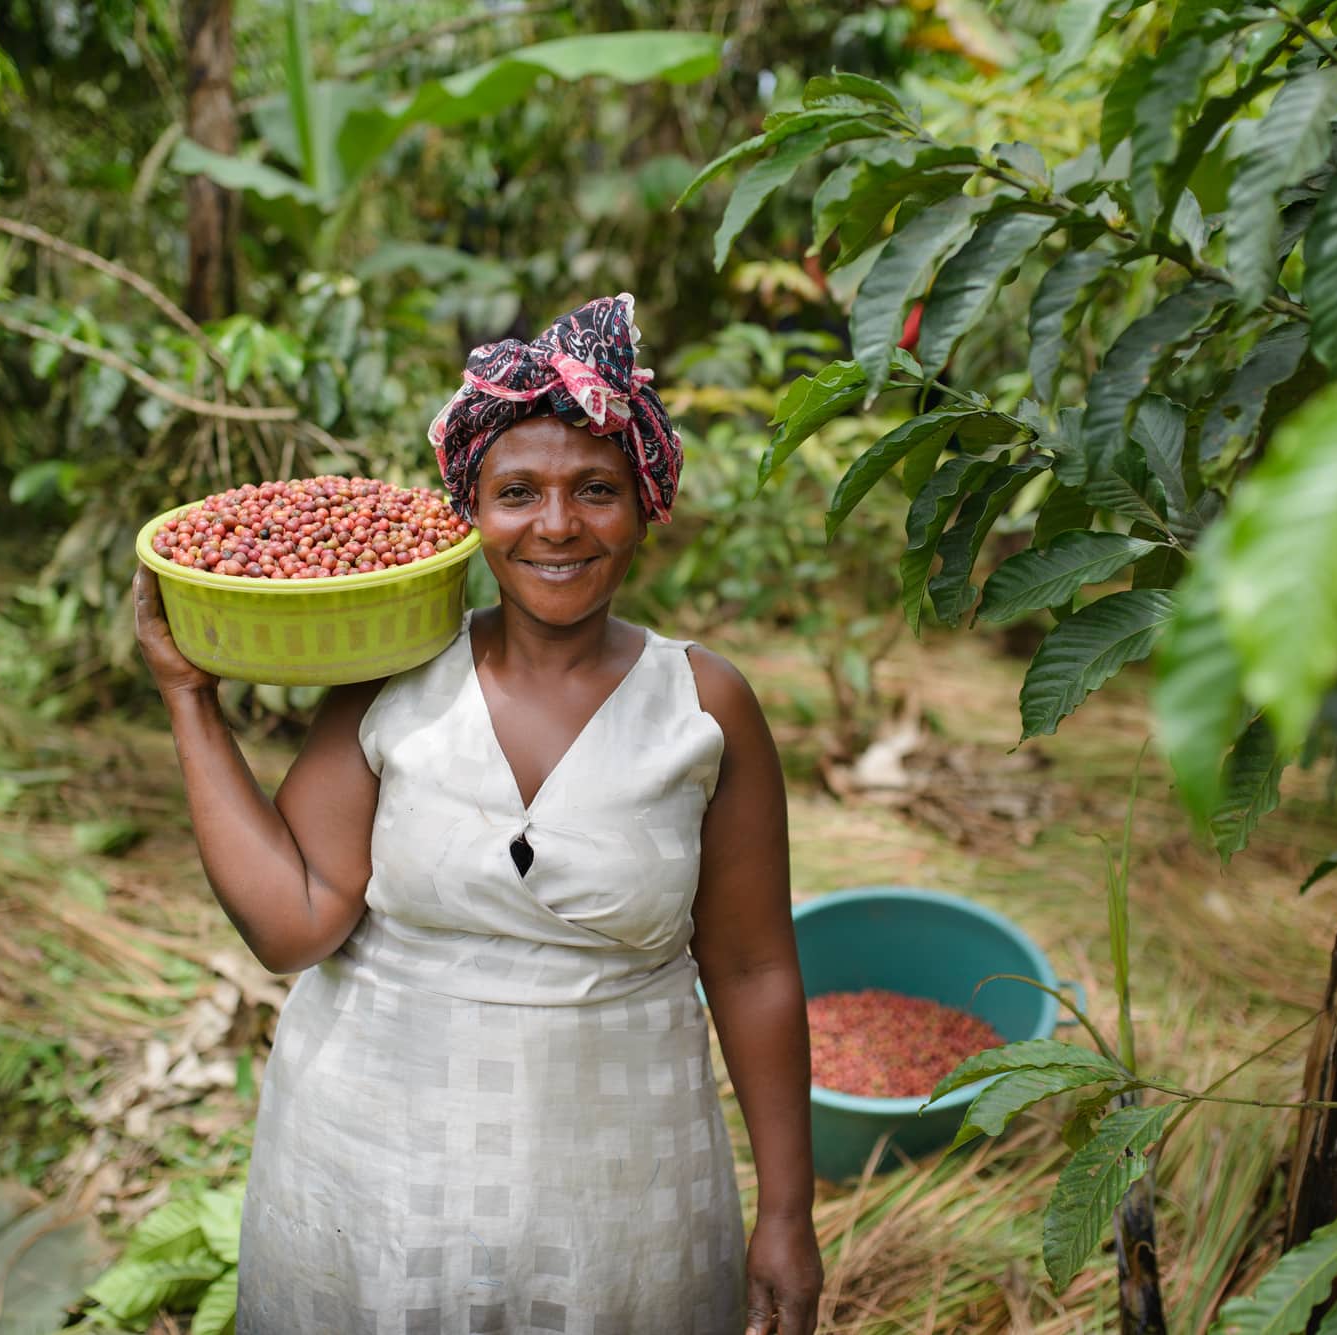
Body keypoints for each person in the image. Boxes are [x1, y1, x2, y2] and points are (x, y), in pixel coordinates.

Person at [133, 294, 822, 1334]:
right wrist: (190, 699)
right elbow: (292, 923)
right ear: (468, 514)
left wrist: (787, 1211)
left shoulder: (701, 705)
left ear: (644, 504)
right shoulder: (390, 680)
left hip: (620, 1195)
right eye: (517, 493)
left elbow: (753, 967)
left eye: (595, 489)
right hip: (371, 1180)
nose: (555, 525)